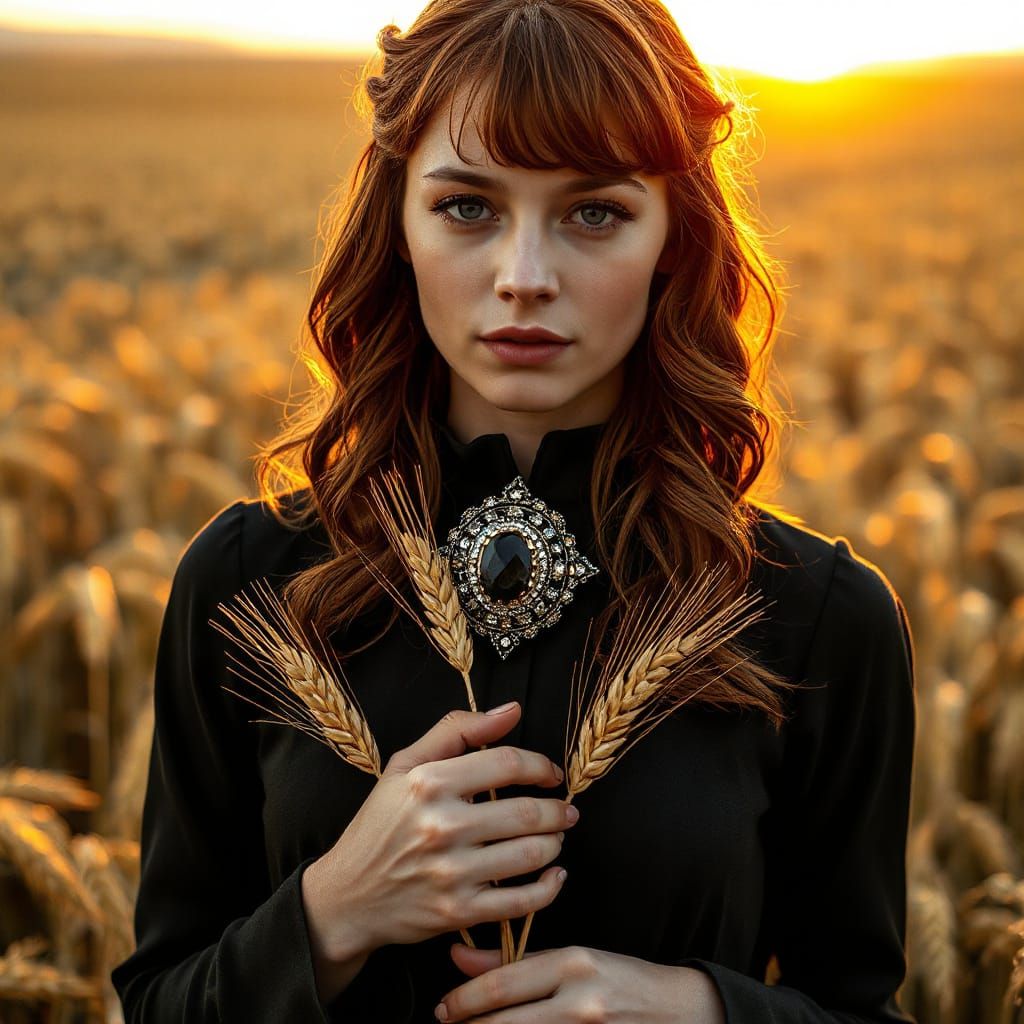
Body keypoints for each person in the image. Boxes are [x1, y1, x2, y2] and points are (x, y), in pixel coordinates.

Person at [110, 1, 918, 1021]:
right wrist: (330, 914)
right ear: (395, 224)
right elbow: (157, 1002)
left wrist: (701, 1013)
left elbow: (863, 1003)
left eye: (594, 213)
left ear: (674, 236)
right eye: (466, 207)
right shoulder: (245, 585)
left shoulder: (813, 617)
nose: (523, 278)